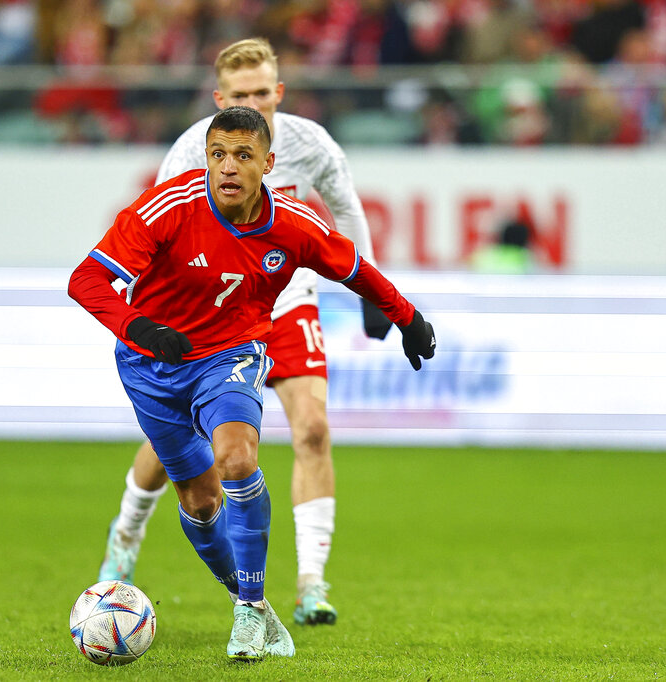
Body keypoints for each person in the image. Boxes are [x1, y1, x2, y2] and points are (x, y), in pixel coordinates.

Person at [69, 105, 436, 660]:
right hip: (148, 366)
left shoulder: (293, 224)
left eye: (243, 156)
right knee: (197, 497)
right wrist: (137, 324)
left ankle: (247, 611)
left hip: (231, 354)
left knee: (237, 459)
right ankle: (254, 606)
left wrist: (409, 318)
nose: (228, 167)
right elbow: (87, 279)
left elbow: (355, 268)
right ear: (206, 159)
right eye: (218, 154)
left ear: (268, 163)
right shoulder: (168, 206)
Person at [96, 37, 396, 628]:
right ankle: (124, 538)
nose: (254, 105)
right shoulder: (191, 152)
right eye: (240, 96)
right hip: (211, 317)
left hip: (287, 303)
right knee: (176, 452)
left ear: (278, 91)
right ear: (219, 99)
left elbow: (347, 208)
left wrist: (374, 292)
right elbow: (156, 234)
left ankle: (311, 582)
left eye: (263, 93)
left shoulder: (309, 144)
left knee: (312, 428)